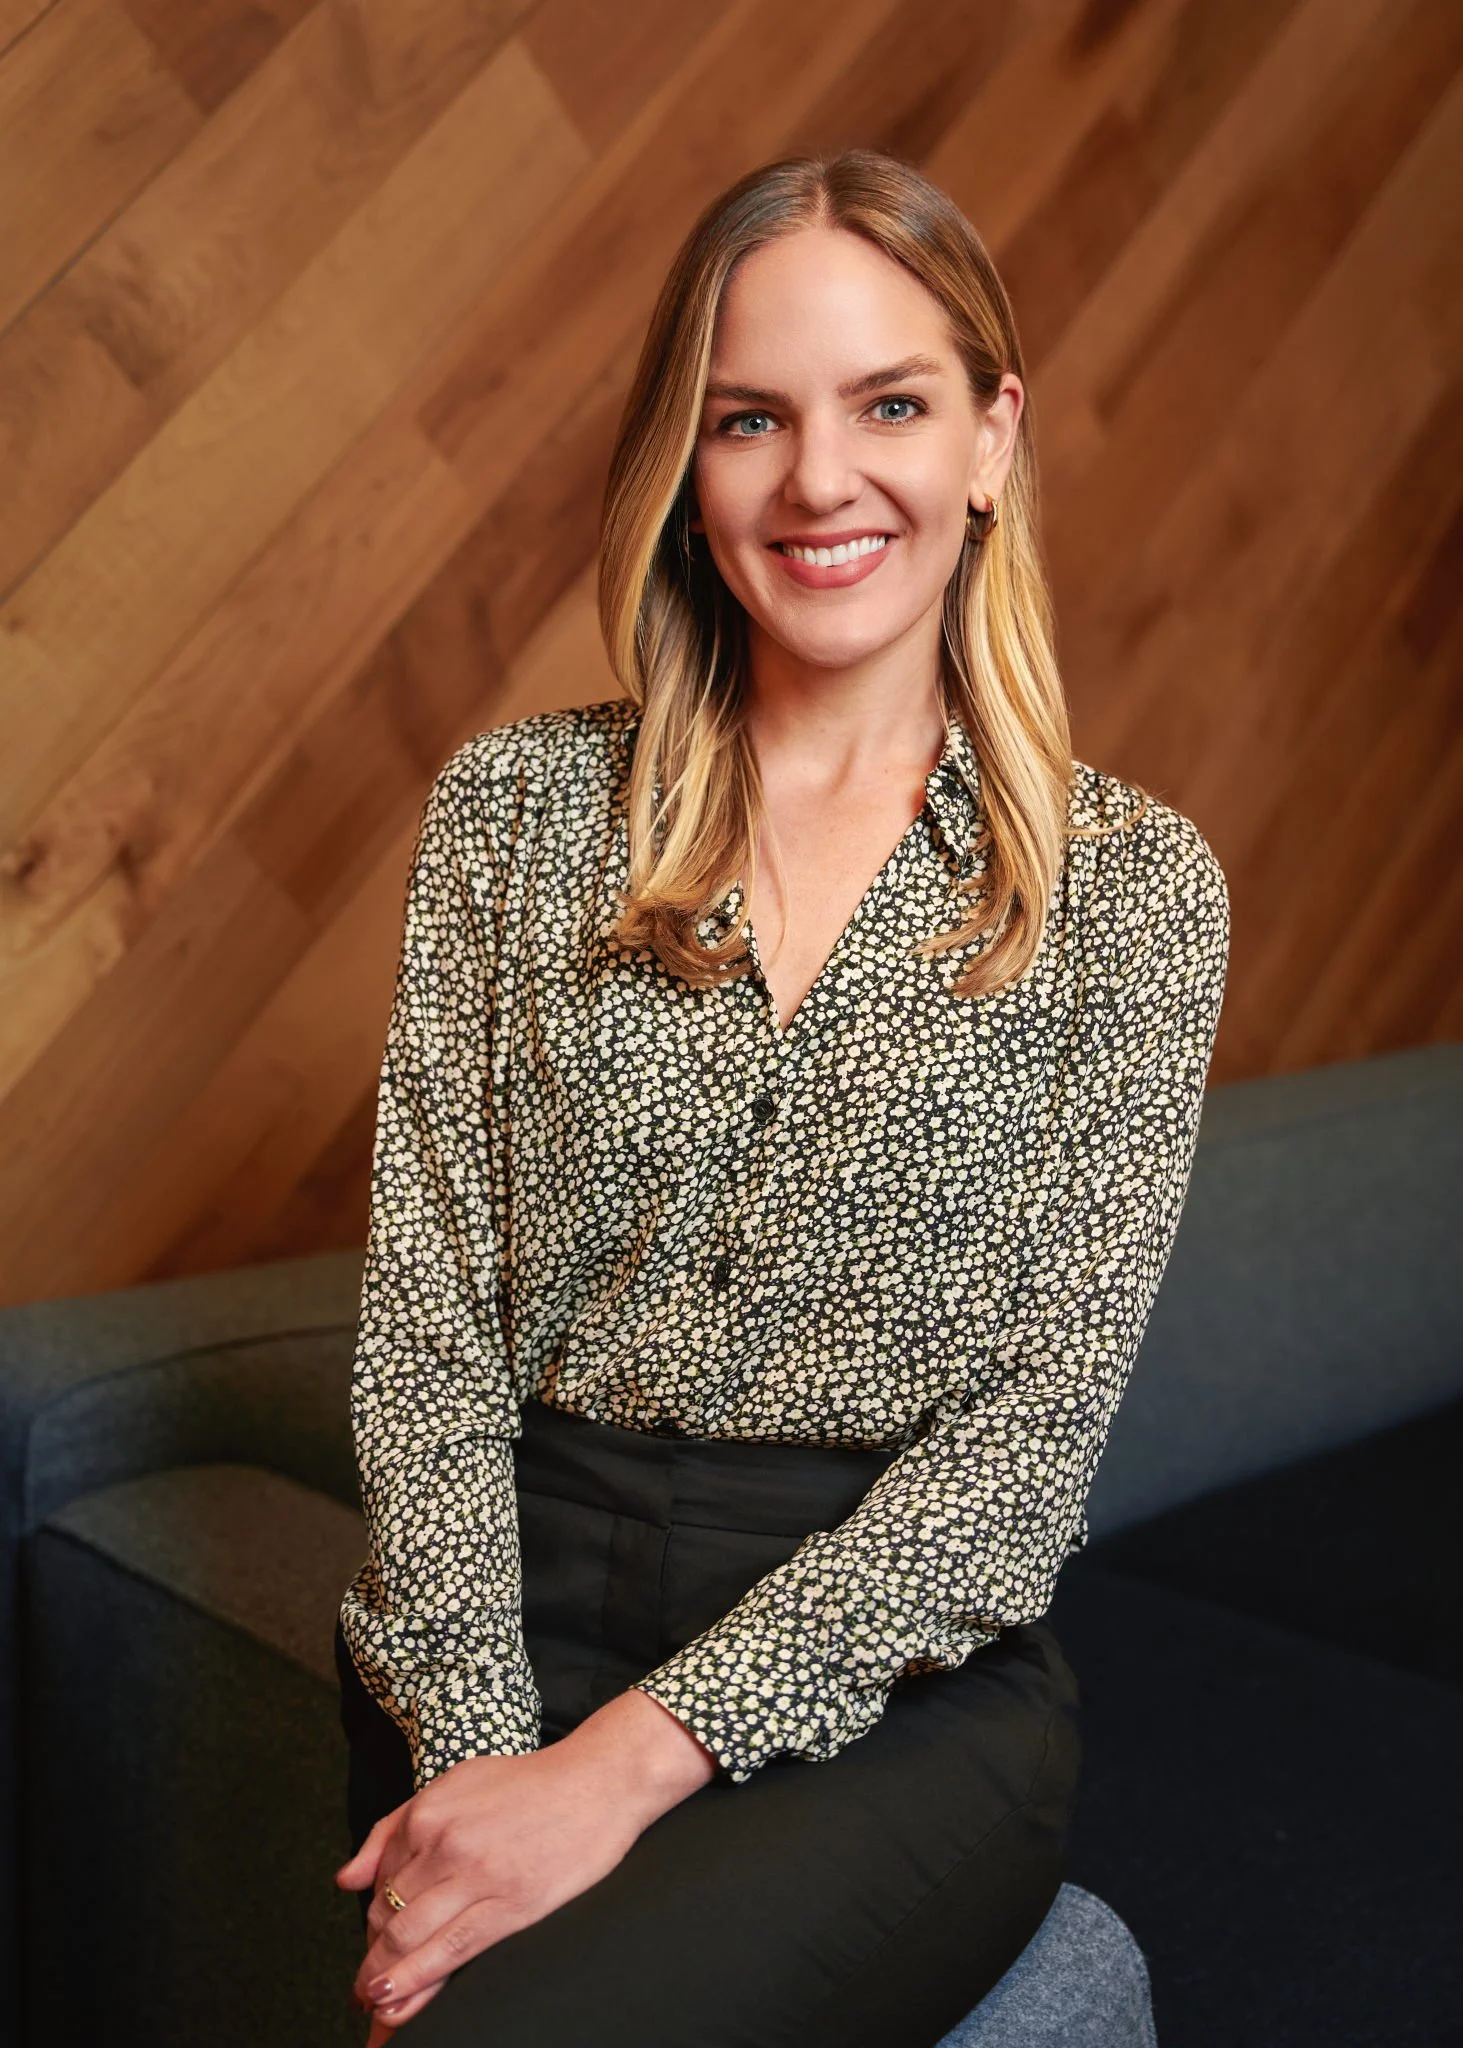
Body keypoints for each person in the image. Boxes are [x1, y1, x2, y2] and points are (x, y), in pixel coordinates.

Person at [330, 147, 1230, 2047]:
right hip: (509, 1612)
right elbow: (425, 1333)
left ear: (992, 439)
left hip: (902, 1691)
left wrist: (620, 1775)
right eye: (751, 420)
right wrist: (494, 1754)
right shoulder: (511, 817)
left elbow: (1021, 1459)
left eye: (888, 406)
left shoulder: (1134, 896)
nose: (821, 482)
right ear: (685, 465)